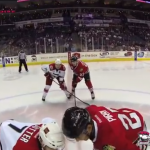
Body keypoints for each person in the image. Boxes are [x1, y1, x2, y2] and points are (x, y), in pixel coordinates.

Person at [62, 105, 147, 150]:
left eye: (77, 136)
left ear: (88, 128)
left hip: (140, 132)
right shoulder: (90, 110)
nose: (77, 139)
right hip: (128, 115)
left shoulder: (110, 139)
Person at [0, 117, 65, 150]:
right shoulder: (24, 148)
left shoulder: (46, 128)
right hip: (3, 135)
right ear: (42, 143)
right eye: (51, 149)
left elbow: (48, 120)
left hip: (9, 125)